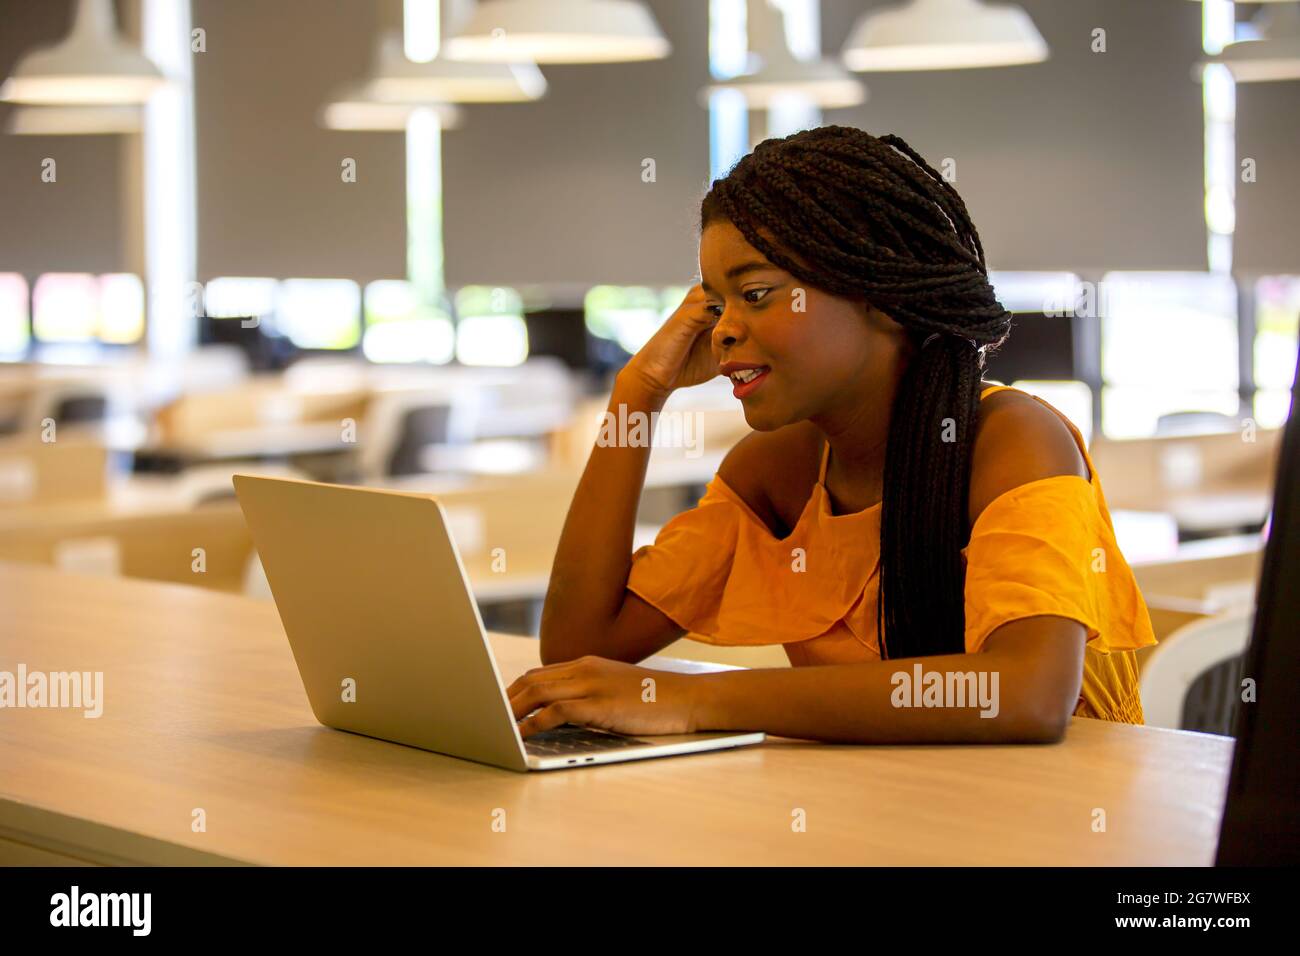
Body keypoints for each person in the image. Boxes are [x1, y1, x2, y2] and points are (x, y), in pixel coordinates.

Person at [509, 126, 1155, 744]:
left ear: (875, 292)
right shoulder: (773, 475)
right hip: (885, 817)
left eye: (756, 293)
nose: (722, 330)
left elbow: (1025, 693)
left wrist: (694, 702)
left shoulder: (1014, 443)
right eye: (714, 305)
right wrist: (638, 392)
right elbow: (577, 653)